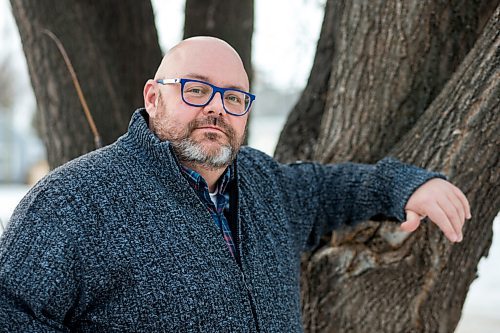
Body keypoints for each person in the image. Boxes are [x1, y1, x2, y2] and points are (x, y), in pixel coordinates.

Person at [0, 36, 470, 333]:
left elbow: (330, 190)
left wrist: (403, 186)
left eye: (234, 97)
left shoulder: (263, 184)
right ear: (152, 97)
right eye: (198, 89)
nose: (217, 109)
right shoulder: (73, 201)